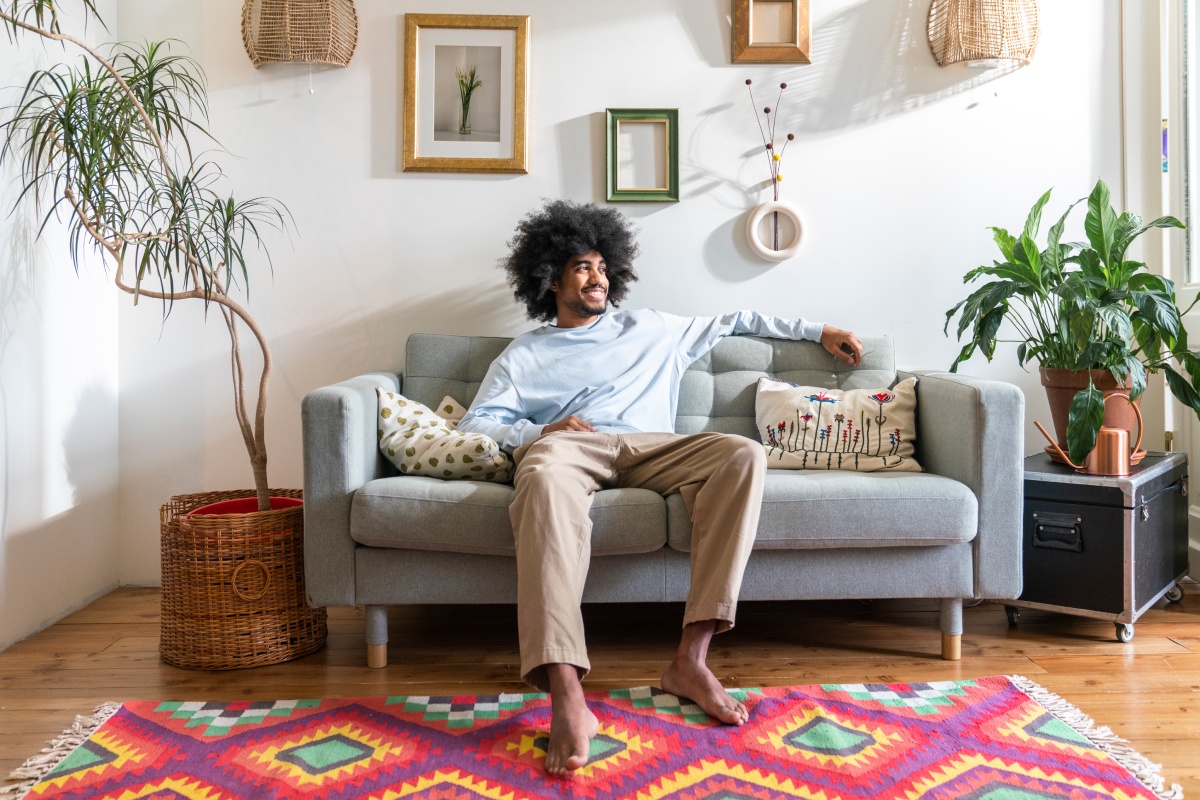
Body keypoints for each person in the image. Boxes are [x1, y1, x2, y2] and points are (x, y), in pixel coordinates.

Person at [457, 199, 862, 775]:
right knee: (542, 479)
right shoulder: (525, 353)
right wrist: (539, 431)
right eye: (581, 267)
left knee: (742, 453)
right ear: (550, 279)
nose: (596, 277)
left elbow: (738, 319)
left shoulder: (653, 327)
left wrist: (819, 330)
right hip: (570, 448)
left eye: (602, 266)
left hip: (653, 447)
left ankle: (690, 661)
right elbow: (476, 423)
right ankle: (566, 693)